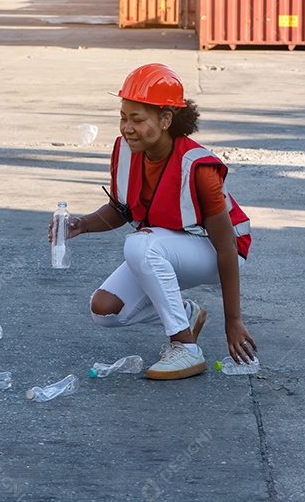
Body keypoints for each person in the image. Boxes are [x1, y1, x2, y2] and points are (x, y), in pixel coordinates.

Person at [54, 63, 256, 379]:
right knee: (105, 309)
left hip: (219, 253)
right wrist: (83, 224)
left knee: (140, 244)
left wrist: (233, 319)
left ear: (165, 120)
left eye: (137, 119)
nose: (127, 128)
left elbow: (227, 246)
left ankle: (185, 348)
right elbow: (123, 209)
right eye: (123, 118)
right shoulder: (126, 150)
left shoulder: (198, 167)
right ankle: (186, 316)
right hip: (167, 246)